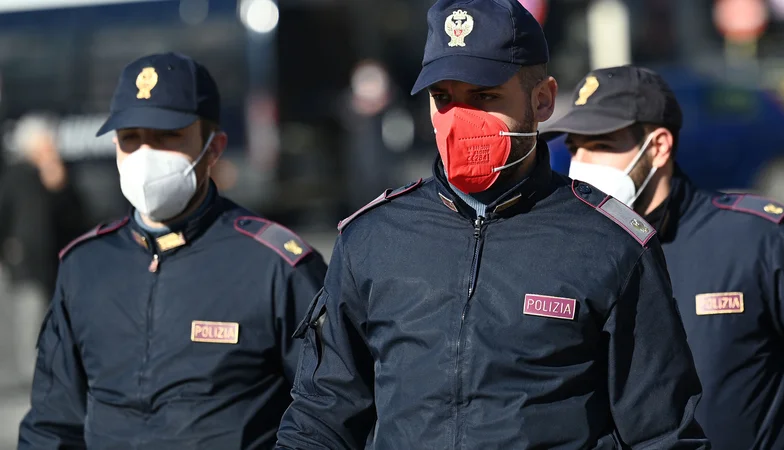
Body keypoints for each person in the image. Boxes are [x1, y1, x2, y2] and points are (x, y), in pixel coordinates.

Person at [277, 2, 709, 448]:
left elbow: (662, 435)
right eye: (443, 98)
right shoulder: (372, 238)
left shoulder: (612, 244)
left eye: (484, 96)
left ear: (542, 99)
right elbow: (322, 416)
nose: (459, 121)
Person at [18, 52, 328, 449]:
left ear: (213, 148)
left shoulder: (276, 266)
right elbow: (52, 424)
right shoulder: (85, 266)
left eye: (167, 137)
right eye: (131, 139)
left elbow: (329, 413)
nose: (145, 156)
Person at [541, 65, 784, 450]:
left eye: (601, 144)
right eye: (575, 146)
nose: (580, 162)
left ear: (659, 146)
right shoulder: (571, 253)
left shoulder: (756, 240)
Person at [0, 113, 87, 382]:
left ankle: (53, 368)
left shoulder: (60, 173)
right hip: (26, 260)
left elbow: (76, 216)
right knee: (31, 312)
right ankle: (33, 372)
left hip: (57, 259)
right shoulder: (16, 175)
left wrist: (59, 186)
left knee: (56, 314)